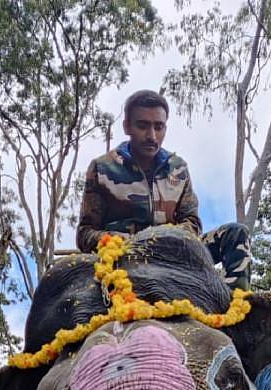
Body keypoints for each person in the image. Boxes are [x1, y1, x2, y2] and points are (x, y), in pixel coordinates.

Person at [76, 89, 252, 289]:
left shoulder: (178, 168)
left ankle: (237, 308)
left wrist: (169, 239)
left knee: (237, 233)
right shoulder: (102, 167)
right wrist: (125, 241)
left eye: (158, 127)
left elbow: (192, 223)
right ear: (127, 127)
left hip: (175, 253)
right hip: (126, 256)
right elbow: (85, 234)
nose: (152, 136)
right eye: (142, 126)